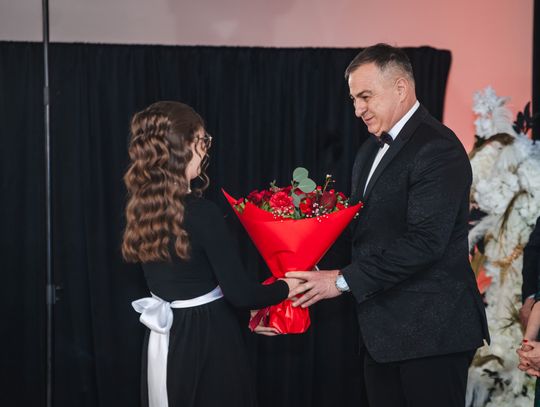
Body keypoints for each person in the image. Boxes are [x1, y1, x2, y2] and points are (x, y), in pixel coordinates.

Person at [287, 44, 490, 407]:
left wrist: (339, 280)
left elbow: (425, 243)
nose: (357, 109)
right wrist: (309, 270)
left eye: (365, 96)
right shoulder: (368, 151)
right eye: (353, 99)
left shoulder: (438, 148)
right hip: (381, 335)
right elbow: (363, 234)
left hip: (432, 335)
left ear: (400, 88)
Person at [122, 101, 299, 407]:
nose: (205, 151)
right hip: (208, 341)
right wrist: (289, 287)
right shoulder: (202, 213)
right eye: (202, 141)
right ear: (182, 147)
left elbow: (195, 284)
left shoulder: (142, 211)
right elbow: (241, 294)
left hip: (167, 337)